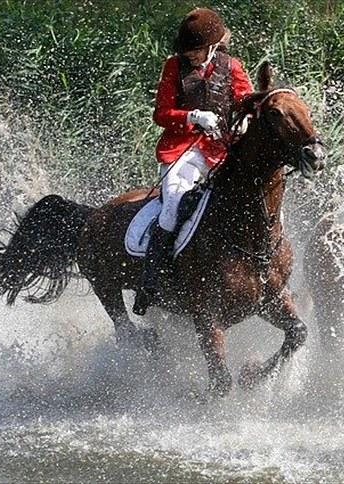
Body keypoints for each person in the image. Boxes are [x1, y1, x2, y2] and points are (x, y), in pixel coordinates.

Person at [134, 7, 254, 316]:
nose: (191, 57)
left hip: (222, 152)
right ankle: (153, 279)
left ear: (213, 46)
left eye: (196, 52)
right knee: (173, 202)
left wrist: (246, 120)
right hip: (181, 152)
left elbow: (246, 100)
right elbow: (160, 114)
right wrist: (191, 116)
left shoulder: (233, 67)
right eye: (187, 52)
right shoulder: (173, 68)